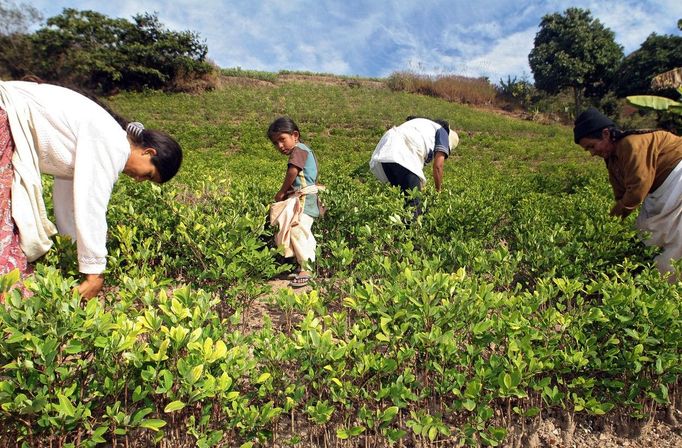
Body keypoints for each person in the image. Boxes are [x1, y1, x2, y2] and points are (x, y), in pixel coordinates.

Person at [0, 79, 182, 298]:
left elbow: (68, 203)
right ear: (148, 153)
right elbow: (91, 205)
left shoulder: (107, 139)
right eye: (148, 175)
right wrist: (94, 273)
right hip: (6, 114)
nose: (138, 180)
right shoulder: (114, 144)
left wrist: (71, 251)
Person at [574, 107, 682, 279]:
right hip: (660, 192)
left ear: (606, 134)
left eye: (592, 146)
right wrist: (611, 223)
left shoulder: (631, 144)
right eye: (588, 150)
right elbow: (620, 191)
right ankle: (653, 277)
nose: (593, 153)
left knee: (677, 238)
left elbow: (637, 190)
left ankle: (669, 285)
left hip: (678, 180)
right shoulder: (612, 159)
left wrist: (616, 215)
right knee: (645, 229)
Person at [267, 117, 322, 288]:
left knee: (297, 228)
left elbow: (293, 171)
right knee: (302, 231)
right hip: (306, 197)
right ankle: (305, 266)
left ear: (295, 135)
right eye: (276, 143)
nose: (280, 146)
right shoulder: (302, 150)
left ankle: (306, 269)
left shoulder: (299, 150)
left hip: (305, 198)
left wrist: (282, 192)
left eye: (282, 139)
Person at [369, 116, 459, 215]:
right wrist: (438, 191)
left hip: (387, 151)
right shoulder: (442, 132)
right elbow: (438, 166)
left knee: (403, 202)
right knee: (414, 206)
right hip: (403, 153)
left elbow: (413, 175)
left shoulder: (425, 128)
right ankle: (413, 229)